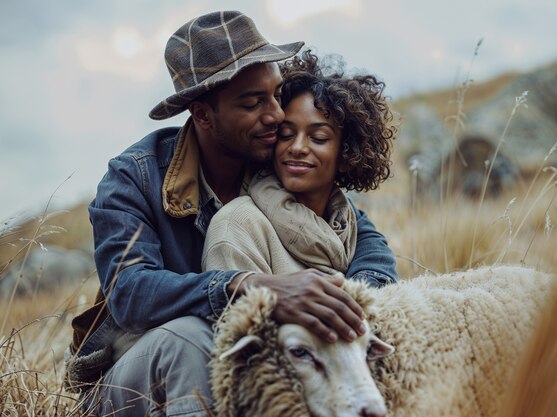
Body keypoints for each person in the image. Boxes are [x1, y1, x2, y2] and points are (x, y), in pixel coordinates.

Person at [64, 10, 397, 417]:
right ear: (203, 114)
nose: (275, 115)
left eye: (276, 94)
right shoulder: (134, 178)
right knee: (189, 339)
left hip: (232, 361)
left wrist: (351, 301)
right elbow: (131, 293)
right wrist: (250, 286)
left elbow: (361, 233)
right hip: (132, 376)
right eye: (253, 103)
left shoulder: (268, 160)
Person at [202, 51, 397, 311]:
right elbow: (240, 335)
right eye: (286, 134)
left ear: (347, 154)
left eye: (318, 138)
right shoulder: (238, 225)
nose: (297, 147)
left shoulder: (347, 222)